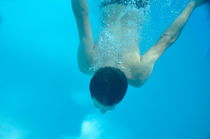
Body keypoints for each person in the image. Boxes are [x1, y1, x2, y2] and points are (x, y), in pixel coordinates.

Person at [72, 0, 209, 113]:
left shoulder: (138, 76)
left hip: (139, 4)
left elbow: (167, 39)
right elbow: (81, 13)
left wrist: (193, 4)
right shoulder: (87, 63)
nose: (103, 112)